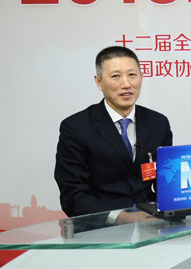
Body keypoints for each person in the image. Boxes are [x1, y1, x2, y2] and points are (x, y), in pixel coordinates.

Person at [55, 46, 172, 222]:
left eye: (132, 75)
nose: (126, 84)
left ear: (141, 77)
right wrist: (119, 217)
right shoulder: (76, 127)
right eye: (116, 76)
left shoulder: (158, 123)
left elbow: (167, 181)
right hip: (101, 228)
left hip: (152, 223)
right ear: (99, 82)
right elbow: (73, 195)